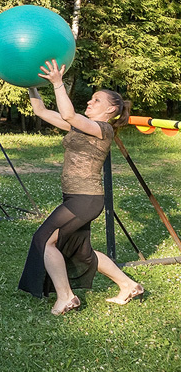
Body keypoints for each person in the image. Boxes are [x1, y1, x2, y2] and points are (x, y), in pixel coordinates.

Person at [19, 61, 143, 315]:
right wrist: (29, 84)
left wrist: (57, 83)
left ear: (111, 109)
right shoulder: (81, 125)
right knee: (81, 250)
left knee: (45, 239)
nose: (90, 102)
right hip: (78, 197)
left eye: (96, 100)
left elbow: (69, 115)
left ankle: (65, 297)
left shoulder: (103, 129)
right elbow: (42, 111)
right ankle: (127, 284)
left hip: (85, 199)